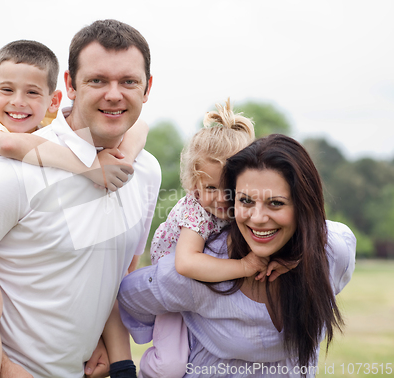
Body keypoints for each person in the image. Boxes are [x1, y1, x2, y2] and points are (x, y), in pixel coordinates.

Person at [0, 19, 160, 378]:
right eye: (97, 80)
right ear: (70, 85)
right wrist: (3, 368)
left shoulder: (147, 171)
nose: (114, 94)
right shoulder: (11, 172)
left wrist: (105, 344)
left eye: (128, 81)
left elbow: (118, 270)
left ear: (147, 87)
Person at [118, 134, 356, 377]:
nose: (258, 217)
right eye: (246, 201)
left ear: (303, 204)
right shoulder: (200, 269)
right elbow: (125, 296)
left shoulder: (332, 253)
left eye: (275, 203)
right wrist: (118, 361)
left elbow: (334, 237)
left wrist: (300, 255)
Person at [139, 99, 282, 378]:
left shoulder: (246, 207)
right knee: (171, 366)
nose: (221, 198)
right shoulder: (195, 211)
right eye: (211, 187)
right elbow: (186, 264)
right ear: (194, 183)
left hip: (204, 295)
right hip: (173, 294)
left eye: (230, 187)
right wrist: (244, 267)